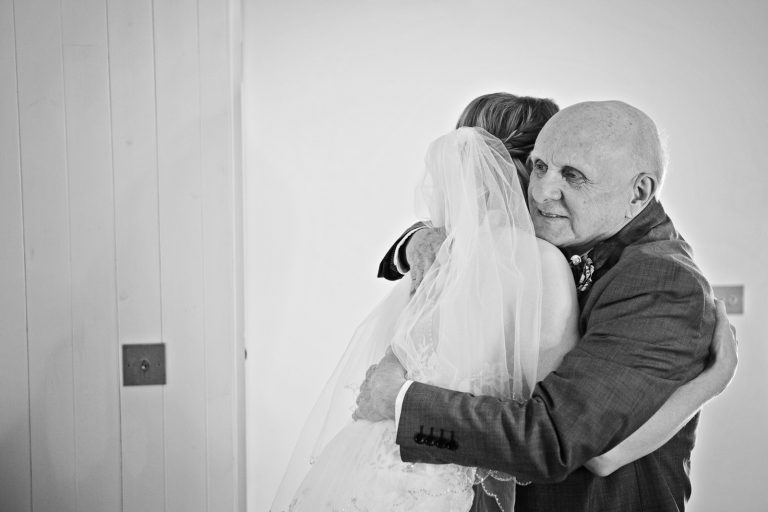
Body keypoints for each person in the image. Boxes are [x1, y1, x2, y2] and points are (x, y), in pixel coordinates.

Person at [356, 100, 738, 511]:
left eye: (573, 176)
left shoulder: (660, 282)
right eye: (538, 166)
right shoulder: (538, 240)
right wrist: (415, 239)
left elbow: (576, 444)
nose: (541, 192)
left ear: (639, 191)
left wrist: (402, 402)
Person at [272, 94, 583, 511]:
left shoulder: (443, 254)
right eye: (546, 166)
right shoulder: (541, 263)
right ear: (526, 169)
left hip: (371, 462)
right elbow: (552, 414)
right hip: (451, 473)